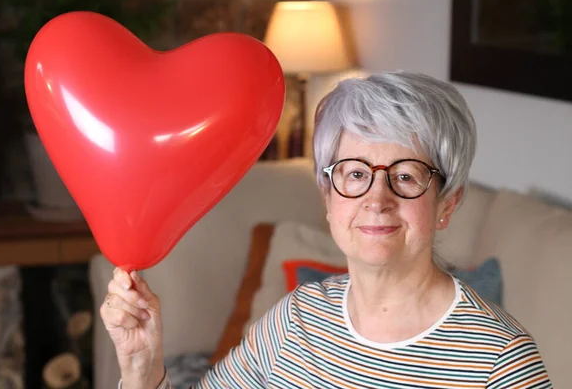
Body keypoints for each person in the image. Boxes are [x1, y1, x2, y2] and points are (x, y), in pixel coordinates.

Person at [101, 71, 552, 388]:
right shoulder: (294, 318)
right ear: (327, 196)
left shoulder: (499, 361)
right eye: (355, 174)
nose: (377, 199)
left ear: (447, 204)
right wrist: (142, 368)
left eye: (407, 176)